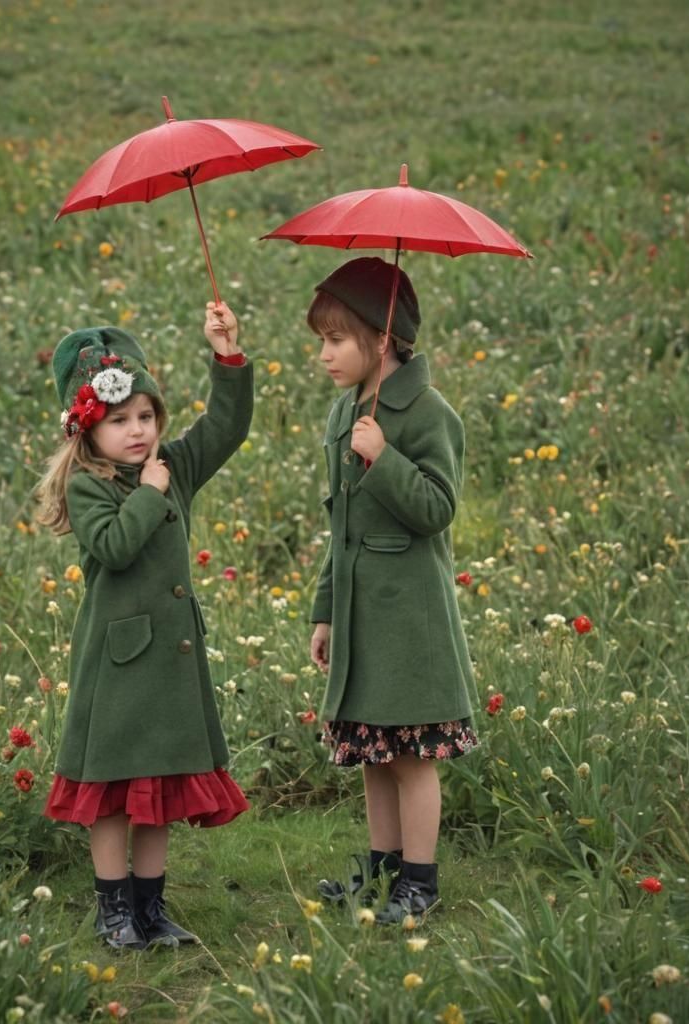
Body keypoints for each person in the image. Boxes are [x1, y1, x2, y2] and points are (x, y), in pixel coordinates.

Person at [36, 303, 253, 950]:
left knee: (156, 789)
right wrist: (149, 494)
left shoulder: (173, 466)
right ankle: (113, 911)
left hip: (170, 660)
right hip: (117, 664)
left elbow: (226, 426)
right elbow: (113, 547)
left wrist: (227, 355)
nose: (137, 431)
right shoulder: (88, 484)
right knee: (108, 792)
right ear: (86, 429)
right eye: (119, 420)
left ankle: (151, 909)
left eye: (146, 417)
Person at [306, 257, 479, 923]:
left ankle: (421, 880)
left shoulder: (430, 414)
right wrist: (324, 612)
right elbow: (339, 526)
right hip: (358, 619)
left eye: (336, 340)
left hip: (409, 620)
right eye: (320, 341)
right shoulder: (342, 412)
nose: (324, 355)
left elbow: (437, 508)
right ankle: (381, 872)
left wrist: (386, 458)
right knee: (374, 753)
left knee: (410, 759)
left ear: (381, 340)